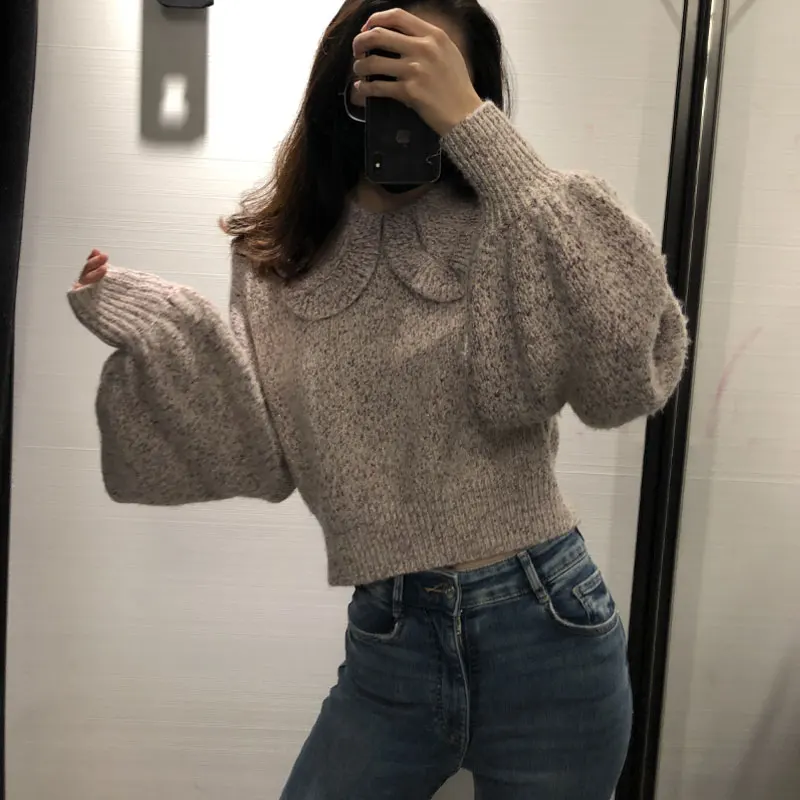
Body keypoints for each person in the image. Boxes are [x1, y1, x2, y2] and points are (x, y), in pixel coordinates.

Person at [70, 1, 688, 797]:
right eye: (391, 68)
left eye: (434, 71)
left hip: (547, 626)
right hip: (391, 640)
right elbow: (260, 452)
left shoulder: (512, 224)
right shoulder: (277, 255)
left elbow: (627, 375)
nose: (410, 91)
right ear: (345, 80)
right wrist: (160, 326)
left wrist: (481, 134)